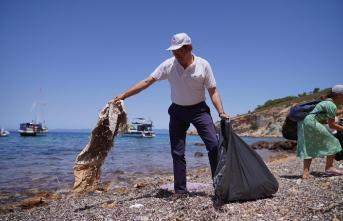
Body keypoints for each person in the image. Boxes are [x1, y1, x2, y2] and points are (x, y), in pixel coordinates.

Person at [113, 33, 230, 195]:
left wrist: (221, 112)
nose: (175, 53)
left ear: (189, 48)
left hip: (200, 110)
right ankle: (180, 191)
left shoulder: (203, 65)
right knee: (177, 152)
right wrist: (124, 95)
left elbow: (213, 91)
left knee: (214, 146)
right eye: (173, 50)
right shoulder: (169, 65)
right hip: (177, 111)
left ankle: (220, 187)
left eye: (179, 50)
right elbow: (147, 82)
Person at [297, 84, 343, 179]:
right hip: (310, 123)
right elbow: (332, 125)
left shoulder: (325, 102)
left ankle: (306, 173)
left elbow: (321, 119)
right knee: (334, 141)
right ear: (338, 95)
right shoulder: (331, 105)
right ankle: (329, 167)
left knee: (308, 145)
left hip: (304, 122)